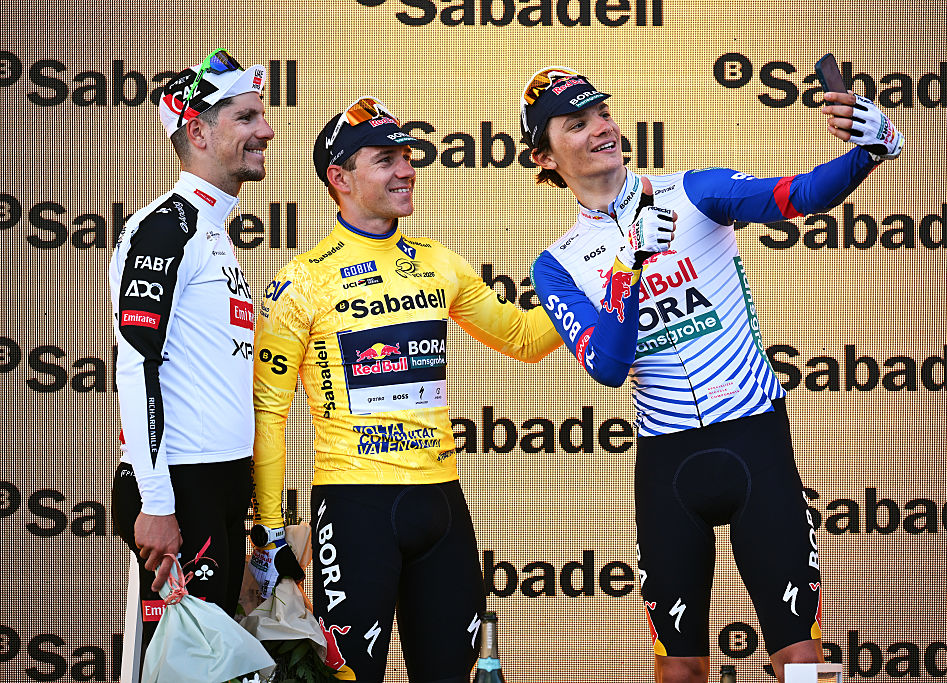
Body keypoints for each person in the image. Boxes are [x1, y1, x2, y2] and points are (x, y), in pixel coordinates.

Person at [518, 67, 904, 682]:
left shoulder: (694, 192)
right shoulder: (556, 265)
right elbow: (610, 367)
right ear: (543, 155)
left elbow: (798, 197)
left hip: (753, 441)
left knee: (798, 659)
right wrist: (629, 274)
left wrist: (871, 150)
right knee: (681, 670)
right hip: (670, 466)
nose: (603, 129)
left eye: (602, 113)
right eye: (577, 123)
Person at [249, 95, 563, 682]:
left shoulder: (439, 262)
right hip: (355, 506)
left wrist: (607, 283)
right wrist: (268, 529)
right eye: (385, 159)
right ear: (339, 177)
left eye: (407, 156)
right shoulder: (302, 280)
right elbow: (269, 410)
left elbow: (522, 337)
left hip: (442, 503)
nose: (405, 170)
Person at [108, 49, 274, 666]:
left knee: (213, 666)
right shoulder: (164, 227)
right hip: (180, 485)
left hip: (222, 480)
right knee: (182, 668)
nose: (266, 130)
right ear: (198, 131)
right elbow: (135, 363)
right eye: (246, 117)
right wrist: (155, 501)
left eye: (262, 116)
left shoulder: (215, 234)